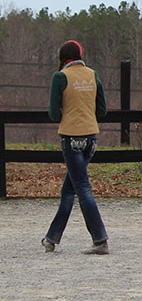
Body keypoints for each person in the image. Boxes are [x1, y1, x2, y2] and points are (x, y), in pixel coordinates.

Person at [41, 40, 109, 254]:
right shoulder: (93, 74)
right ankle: (52, 238)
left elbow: (54, 114)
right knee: (69, 189)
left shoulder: (60, 77)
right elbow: (102, 110)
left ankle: (100, 239)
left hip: (71, 137)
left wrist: (69, 115)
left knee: (82, 188)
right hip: (91, 138)